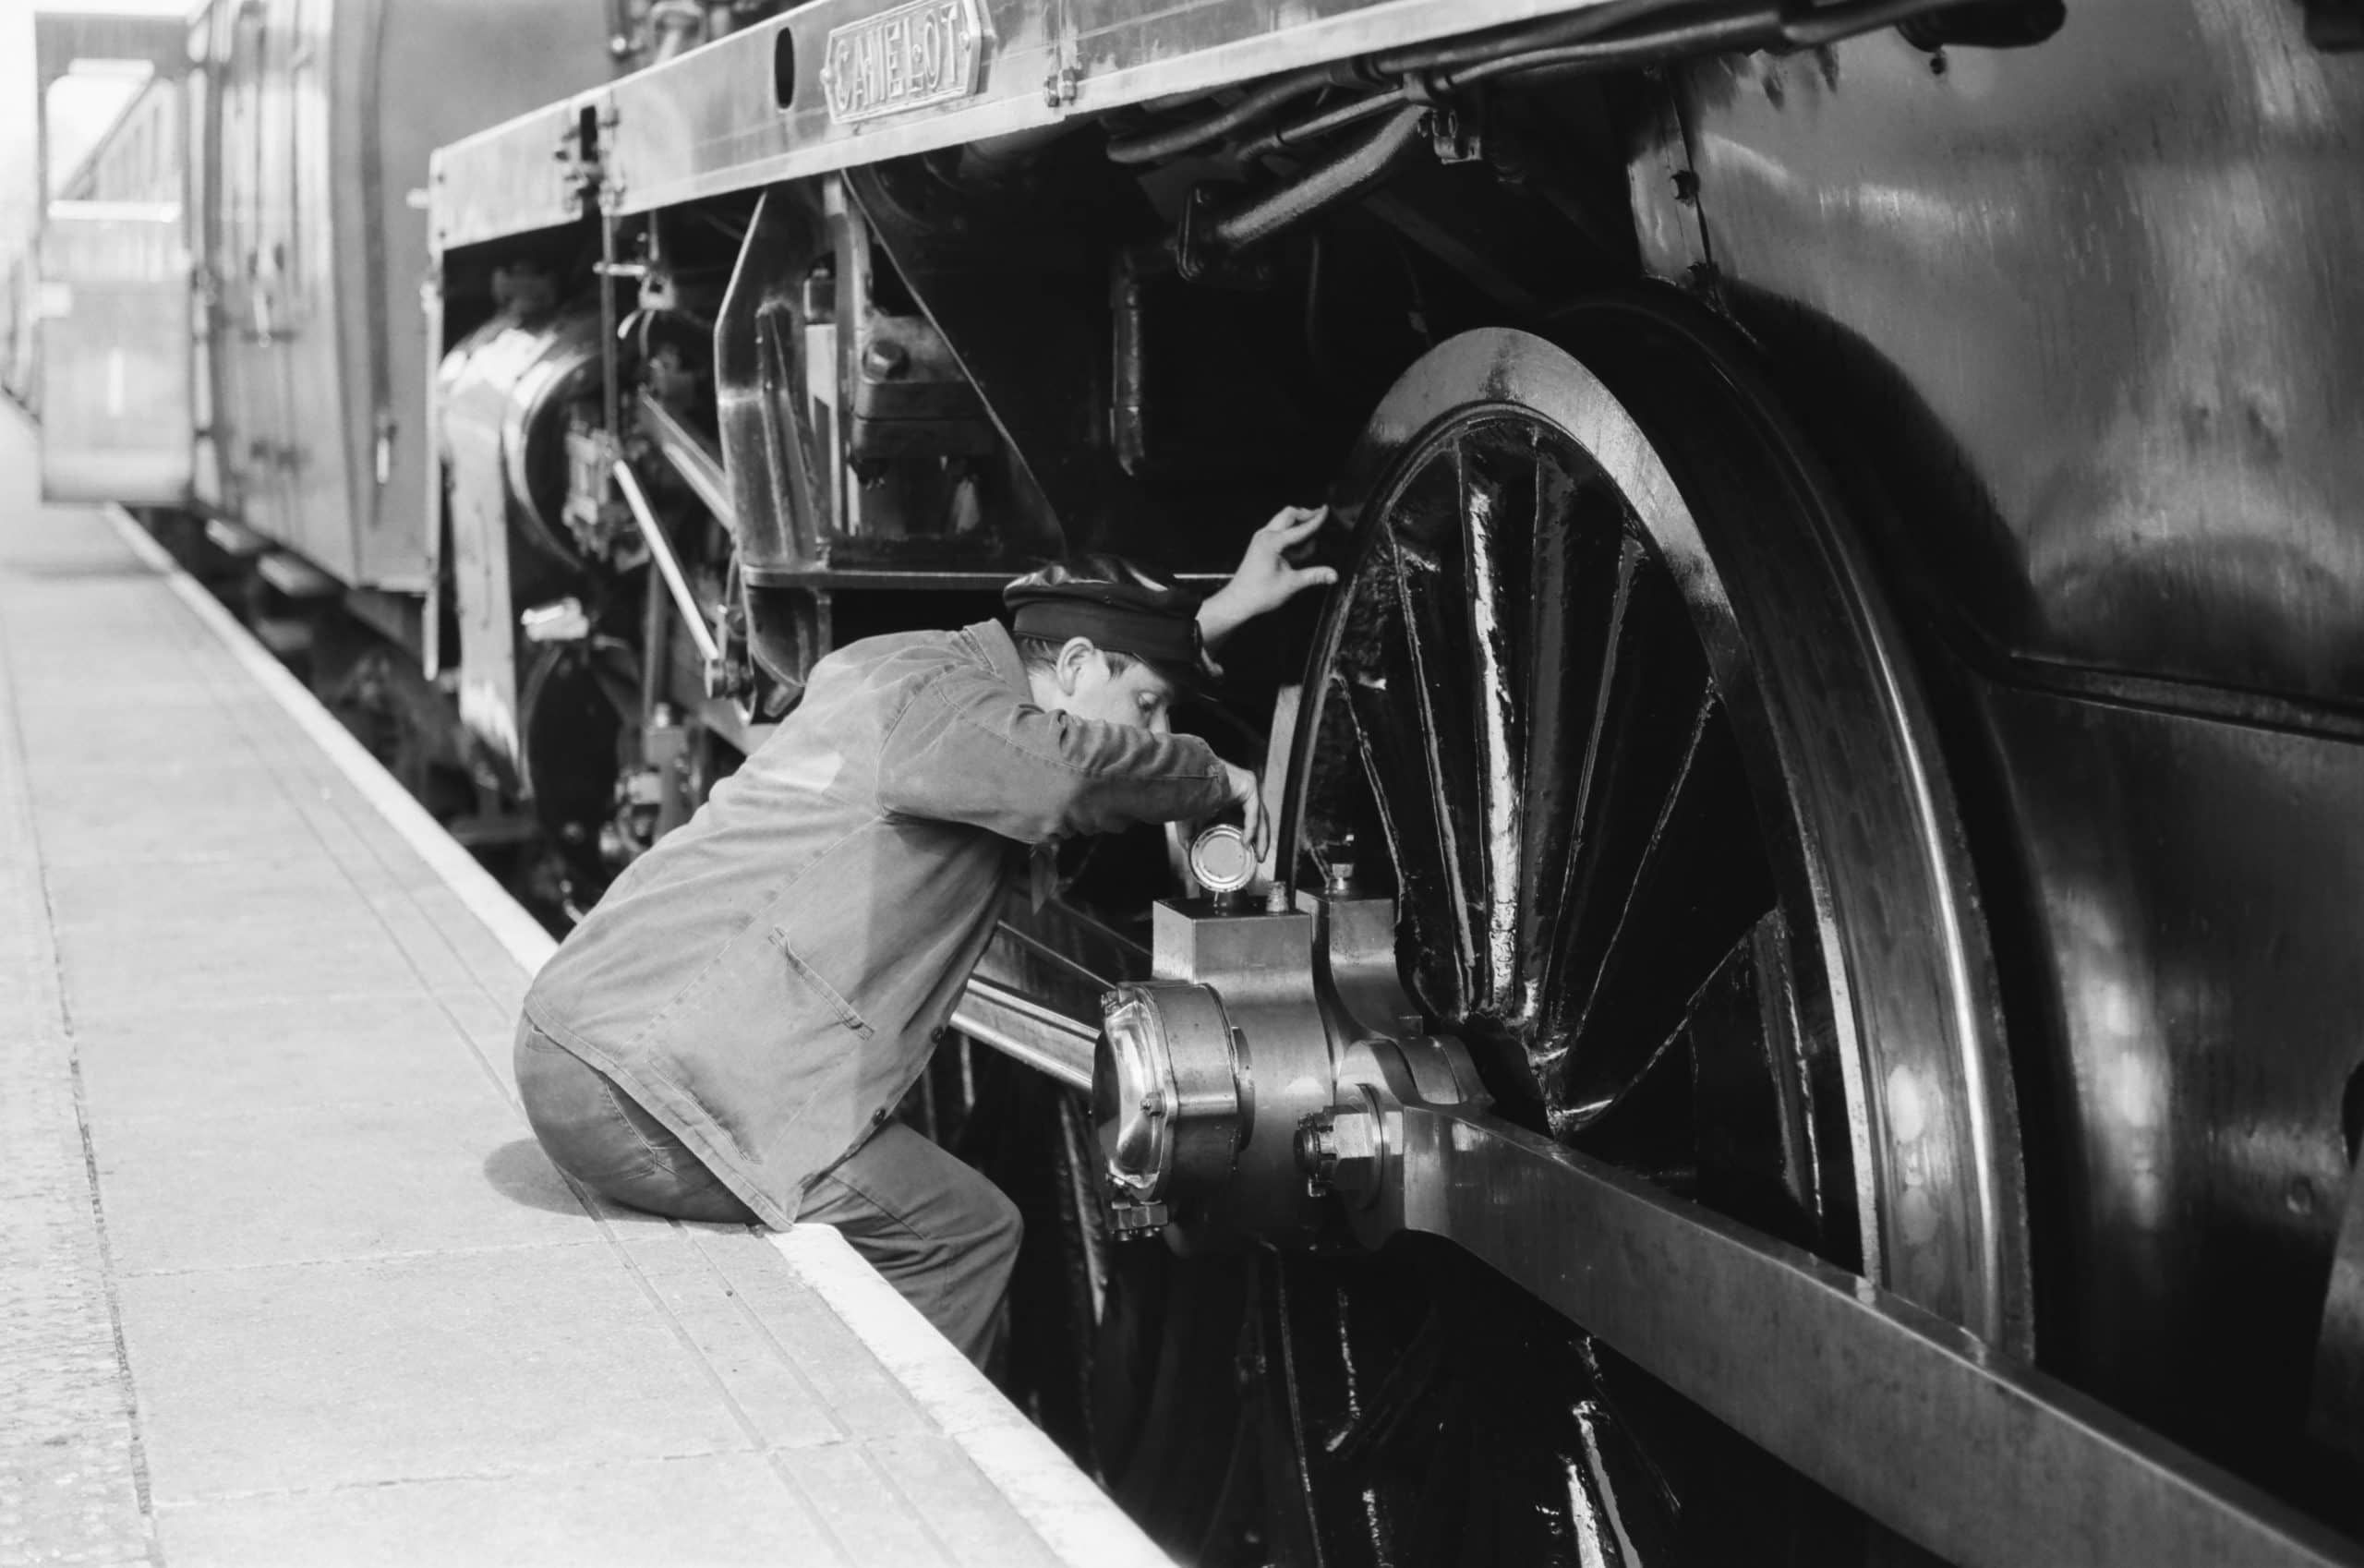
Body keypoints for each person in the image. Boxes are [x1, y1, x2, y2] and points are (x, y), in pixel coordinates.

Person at [513, 506, 1337, 1364]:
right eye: (1151, 706)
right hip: (641, 1091)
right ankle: (877, 1477)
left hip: (585, 1039)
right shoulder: (946, 713)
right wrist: (1209, 776)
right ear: (1079, 665)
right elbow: (1063, 770)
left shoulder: (901, 666)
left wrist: (1210, 620)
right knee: (963, 1240)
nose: (1158, 734)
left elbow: (1066, 719)